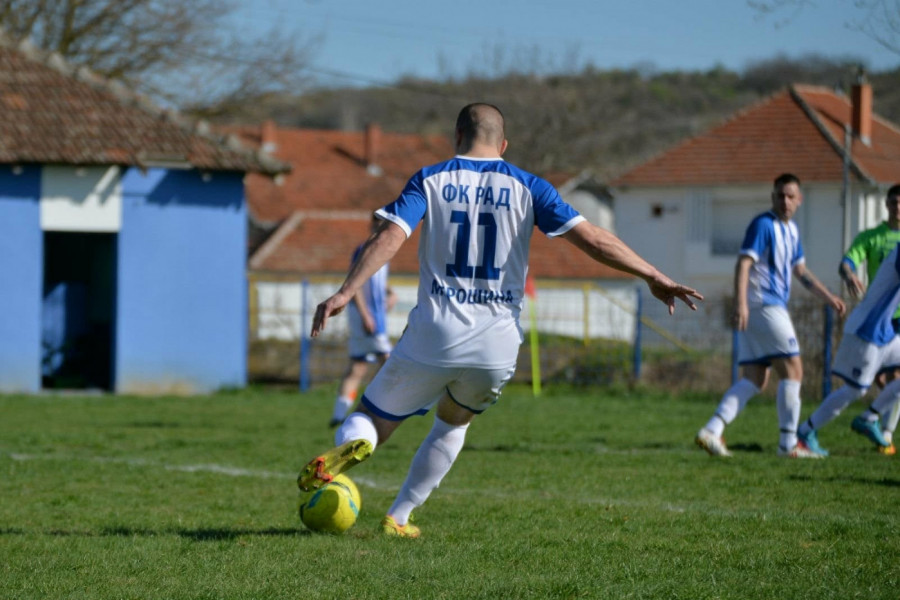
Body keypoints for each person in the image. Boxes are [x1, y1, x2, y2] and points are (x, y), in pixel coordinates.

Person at [297, 102, 703, 538]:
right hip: (496, 342)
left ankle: (357, 443)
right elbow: (595, 240)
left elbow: (391, 235)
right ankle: (399, 516)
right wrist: (652, 275)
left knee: (373, 418)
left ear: (457, 137)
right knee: (454, 421)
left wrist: (346, 291)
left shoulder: (431, 179)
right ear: (504, 144)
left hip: (436, 330)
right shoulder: (530, 186)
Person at [695, 173, 846, 458]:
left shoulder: (793, 231)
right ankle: (788, 445)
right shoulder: (763, 224)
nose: (785, 201)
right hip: (765, 306)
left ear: (800, 200)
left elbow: (800, 272)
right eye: (780, 195)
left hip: (761, 309)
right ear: (772, 197)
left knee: (755, 378)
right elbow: (743, 264)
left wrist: (829, 297)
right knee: (794, 369)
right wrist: (741, 303)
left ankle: (712, 430)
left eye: (790, 196)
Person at [796, 241, 900, 456]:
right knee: (855, 390)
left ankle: (869, 418)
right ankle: (806, 432)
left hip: (885, 332)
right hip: (866, 330)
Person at [837, 183, 900, 454]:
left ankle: (885, 433)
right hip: (879, 318)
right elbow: (848, 261)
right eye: (894, 202)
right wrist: (849, 273)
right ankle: (874, 422)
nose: (898, 207)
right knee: (882, 380)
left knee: (896, 374)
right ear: (886, 205)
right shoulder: (872, 237)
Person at [329, 216, 396, 428]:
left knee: (358, 366)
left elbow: (373, 281)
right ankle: (373, 410)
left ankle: (339, 415)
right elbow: (354, 283)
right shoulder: (366, 249)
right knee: (390, 363)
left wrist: (390, 293)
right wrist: (366, 314)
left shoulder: (384, 251)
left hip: (372, 315)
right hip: (368, 317)